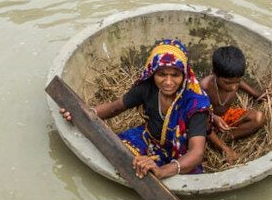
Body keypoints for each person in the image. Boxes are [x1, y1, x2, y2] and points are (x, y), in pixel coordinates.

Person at [59, 39, 211, 179]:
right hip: (150, 140)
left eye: (175, 75)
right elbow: (115, 108)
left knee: (180, 177)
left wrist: (162, 171)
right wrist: (83, 113)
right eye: (162, 74)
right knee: (118, 154)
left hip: (181, 155)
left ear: (184, 75)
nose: (168, 82)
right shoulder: (147, 88)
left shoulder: (195, 104)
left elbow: (196, 153)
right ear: (153, 73)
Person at [200, 46, 268, 165]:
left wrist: (256, 93)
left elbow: (239, 83)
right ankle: (219, 144)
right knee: (201, 131)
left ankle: (225, 137)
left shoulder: (234, 81)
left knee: (259, 118)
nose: (233, 87)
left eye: (236, 82)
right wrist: (214, 117)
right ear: (215, 74)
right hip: (206, 120)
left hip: (226, 117)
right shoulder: (205, 87)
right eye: (228, 83)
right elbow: (198, 113)